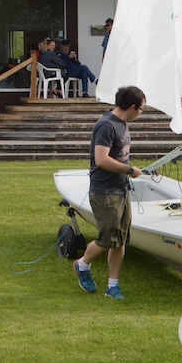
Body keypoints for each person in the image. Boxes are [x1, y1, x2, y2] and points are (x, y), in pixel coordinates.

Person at [73, 85, 146, 300]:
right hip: (105, 192)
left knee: (120, 240)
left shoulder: (122, 124)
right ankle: (82, 265)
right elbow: (101, 159)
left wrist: (127, 173)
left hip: (121, 189)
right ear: (132, 107)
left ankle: (112, 287)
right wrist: (129, 170)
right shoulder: (106, 125)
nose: (140, 114)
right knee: (107, 239)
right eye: (141, 109)